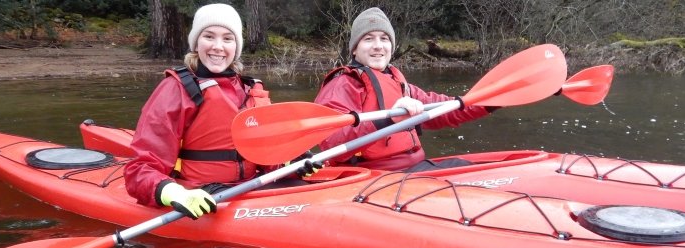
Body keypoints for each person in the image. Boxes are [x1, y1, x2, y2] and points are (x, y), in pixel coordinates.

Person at [124, 3, 314, 220]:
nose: (218, 46)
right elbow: (139, 169)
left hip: (250, 188)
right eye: (209, 36)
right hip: (202, 193)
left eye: (227, 38)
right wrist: (173, 192)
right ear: (196, 42)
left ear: (236, 46)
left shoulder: (250, 89)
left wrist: (291, 163)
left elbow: (266, 156)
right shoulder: (176, 89)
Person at [314, 7, 498, 172]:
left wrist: (490, 103)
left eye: (384, 39)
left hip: (412, 169)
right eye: (368, 39)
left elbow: (446, 110)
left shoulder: (398, 83)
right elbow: (331, 143)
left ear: (391, 47)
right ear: (354, 49)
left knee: (469, 169)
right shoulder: (342, 84)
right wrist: (388, 120)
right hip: (372, 177)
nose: (378, 45)